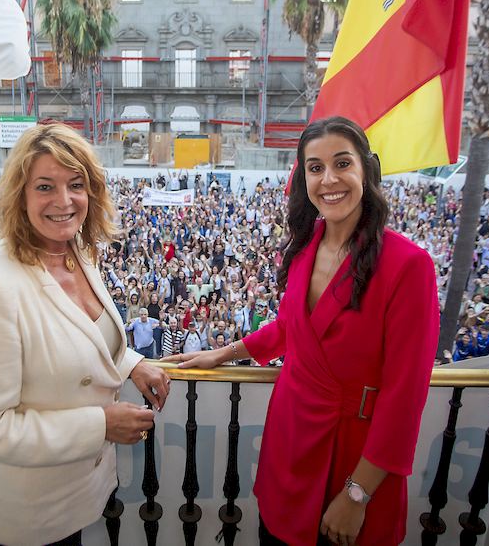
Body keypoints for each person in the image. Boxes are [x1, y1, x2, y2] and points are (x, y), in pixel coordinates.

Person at [166, 117, 439, 545]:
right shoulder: (304, 245)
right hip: (290, 436)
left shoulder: (409, 266)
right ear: (303, 177)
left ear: (366, 169)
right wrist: (224, 353)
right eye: (315, 167)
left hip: (355, 455)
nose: (328, 179)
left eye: (341, 163)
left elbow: (406, 396)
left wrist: (358, 493)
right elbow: (295, 326)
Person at [0, 124, 170, 546]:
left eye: (76, 184)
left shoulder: (76, 251)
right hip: (29, 512)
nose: (64, 201)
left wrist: (131, 362)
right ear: (20, 196)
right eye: (45, 187)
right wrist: (100, 425)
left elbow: (79, 335)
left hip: (77, 490)